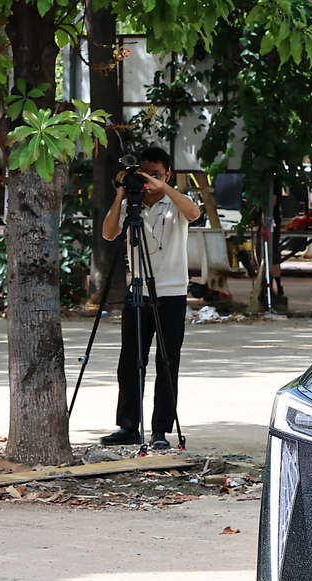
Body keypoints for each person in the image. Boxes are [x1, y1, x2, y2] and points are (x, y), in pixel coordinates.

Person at [99, 147, 202, 449]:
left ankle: (160, 430)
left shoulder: (175, 203)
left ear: (167, 175)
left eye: (155, 174)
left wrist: (163, 187)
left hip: (172, 293)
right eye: (143, 174)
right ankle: (129, 426)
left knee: (167, 362)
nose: (148, 181)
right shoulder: (133, 205)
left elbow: (194, 213)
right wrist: (121, 193)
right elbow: (108, 234)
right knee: (130, 361)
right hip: (138, 292)